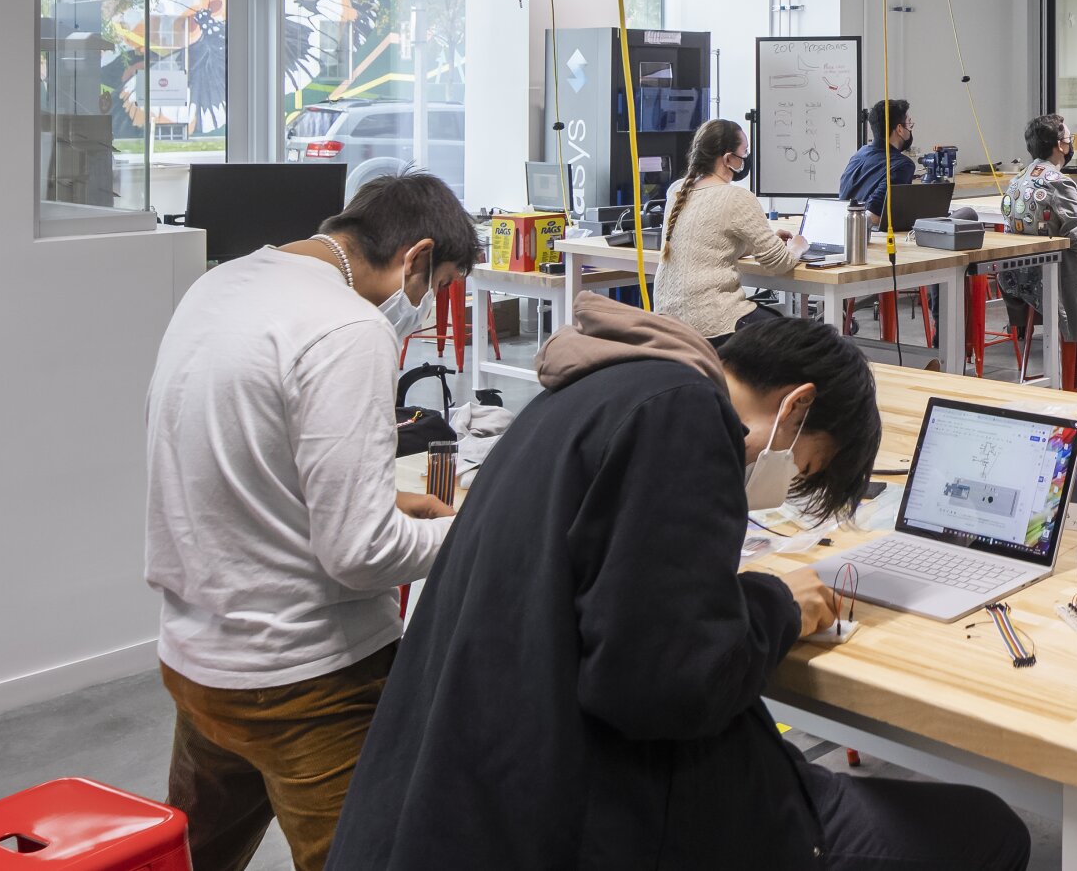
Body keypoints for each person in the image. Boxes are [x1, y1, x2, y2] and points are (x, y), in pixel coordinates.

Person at [328, 299, 1032, 871]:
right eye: (807, 469)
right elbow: (663, 684)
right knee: (990, 831)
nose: (788, 483)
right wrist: (776, 604)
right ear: (795, 405)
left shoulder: (607, 387)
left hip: (470, 788)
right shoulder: (686, 418)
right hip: (590, 811)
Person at [145, 172, 477, 871]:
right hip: (308, 681)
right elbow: (360, 553)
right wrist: (471, 532)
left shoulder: (221, 286)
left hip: (198, 659)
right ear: (415, 257)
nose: (423, 308)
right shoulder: (348, 327)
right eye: (437, 285)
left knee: (194, 857)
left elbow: (245, 471)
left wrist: (382, 500)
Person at [656, 118, 806, 345]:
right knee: (796, 337)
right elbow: (779, 263)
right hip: (712, 323)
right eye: (744, 152)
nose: (746, 158)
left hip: (668, 322)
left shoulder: (677, 190)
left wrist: (757, 244)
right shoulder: (736, 197)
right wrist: (797, 247)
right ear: (728, 159)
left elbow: (710, 243)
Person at [1000, 113, 1077, 377]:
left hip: (1019, 277)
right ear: (1060, 145)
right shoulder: (1061, 182)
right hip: (1055, 273)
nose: (1070, 144)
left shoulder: (1017, 180)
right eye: (1069, 139)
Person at [839, 98, 916, 216]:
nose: (910, 129)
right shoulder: (903, 165)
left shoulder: (859, 154)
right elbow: (874, 213)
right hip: (869, 232)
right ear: (900, 129)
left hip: (844, 227)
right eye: (909, 124)